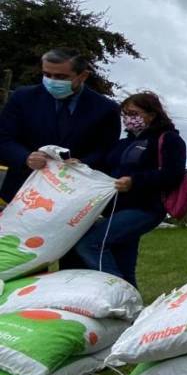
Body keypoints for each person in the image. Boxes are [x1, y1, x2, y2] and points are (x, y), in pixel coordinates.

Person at [0, 48, 119, 269]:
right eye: (48, 74)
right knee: (19, 263)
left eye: (61, 77)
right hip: (24, 198)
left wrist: (81, 164)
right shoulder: (22, 98)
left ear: (82, 76)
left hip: (74, 203)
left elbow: (109, 151)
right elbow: (3, 139)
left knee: (74, 263)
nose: (52, 81)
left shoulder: (106, 109)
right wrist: (26, 157)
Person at [75, 92, 186, 287]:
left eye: (133, 113)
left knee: (89, 244)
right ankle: (132, 311)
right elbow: (102, 167)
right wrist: (79, 165)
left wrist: (134, 181)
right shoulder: (122, 144)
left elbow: (172, 175)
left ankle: (118, 291)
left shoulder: (169, 140)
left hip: (146, 208)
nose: (128, 118)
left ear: (151, 114)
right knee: (123, 263)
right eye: (124, 113)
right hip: (116, 208)